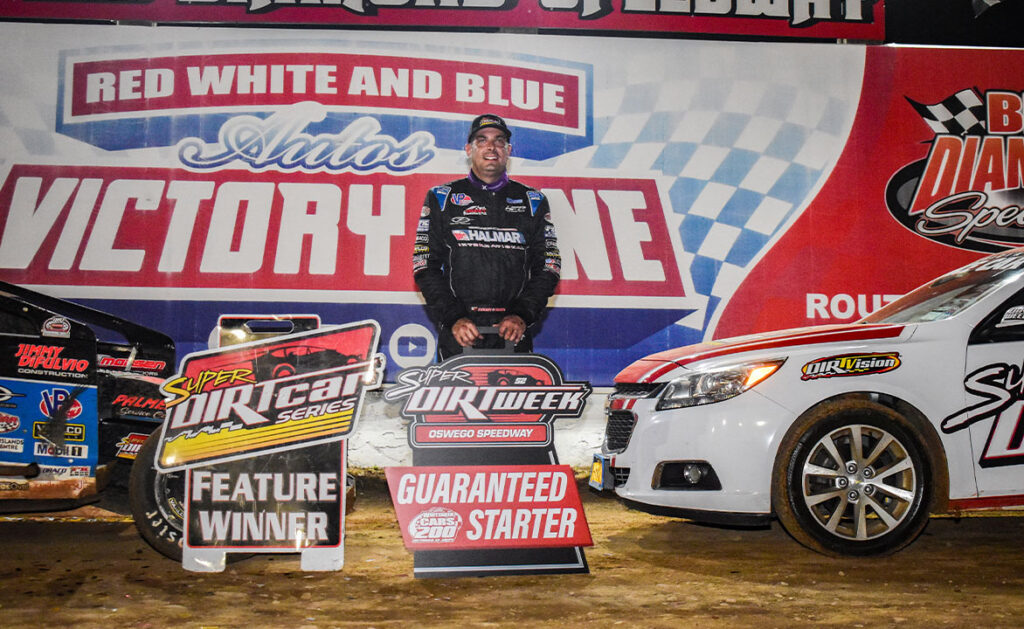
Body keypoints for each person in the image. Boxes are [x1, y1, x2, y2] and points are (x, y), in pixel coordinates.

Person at [413, 113, 561, 360]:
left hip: (512, 332)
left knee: (513, 400)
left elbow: (549, 266)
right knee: (456, 400)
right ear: (469, 149)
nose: (492, 147)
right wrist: (454, 317)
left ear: (509, 150)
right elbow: (424, 265)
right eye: (482, 140)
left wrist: (522, 314)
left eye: (499, 140)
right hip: (460, 333)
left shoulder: (532, 201)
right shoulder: (442, 198)